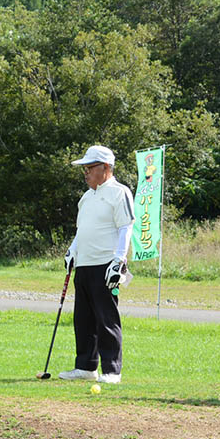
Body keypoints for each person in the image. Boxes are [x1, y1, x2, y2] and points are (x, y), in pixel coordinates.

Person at [59, 145, 134, 384]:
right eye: (85, 168)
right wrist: (72, 250)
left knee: (106, 318)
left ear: (106, 168)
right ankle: (85, 367)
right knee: (83, 319)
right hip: (84, 264)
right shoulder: (87, 197)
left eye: (90, 168)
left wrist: (119, 260)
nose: (86, 173)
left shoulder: (119, 192)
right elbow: (83, 230)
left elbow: (125, 227)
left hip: (105, 264)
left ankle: (112, 370)